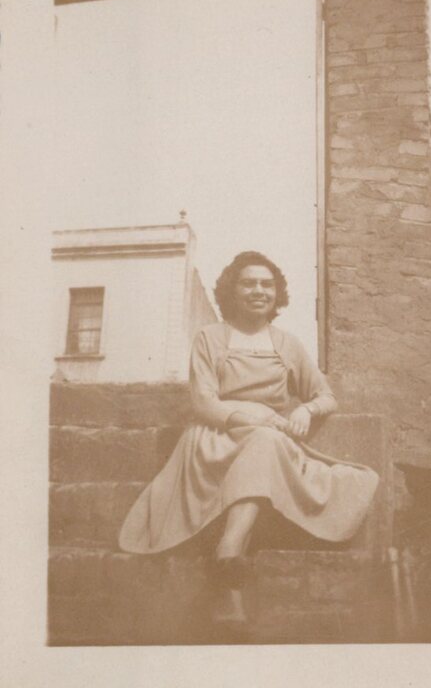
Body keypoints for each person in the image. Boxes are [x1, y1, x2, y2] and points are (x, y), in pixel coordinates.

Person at [119, 251, 379, 629]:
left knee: (268, 444)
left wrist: (306, 410)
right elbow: (203, 402)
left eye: (266, 284)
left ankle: (229, 554)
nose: (259, 291)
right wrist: (247, 417)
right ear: (232, 291)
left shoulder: (288, 344)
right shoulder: (210, 337)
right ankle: (230, 569)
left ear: (277, 293)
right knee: (265, 441)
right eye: (248, 283)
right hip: (216, 437)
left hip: (267, 440)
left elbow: (325, 396)